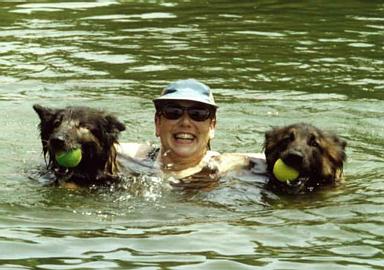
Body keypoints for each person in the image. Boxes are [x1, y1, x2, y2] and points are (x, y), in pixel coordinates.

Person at [117, 79, 264, 189]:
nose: (185, 122)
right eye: (173, 112)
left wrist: (238, 160)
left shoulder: (227, 167)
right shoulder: (135, 158)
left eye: (197, 114)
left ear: (212, 127)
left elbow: (274, 155)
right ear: (157, 123)